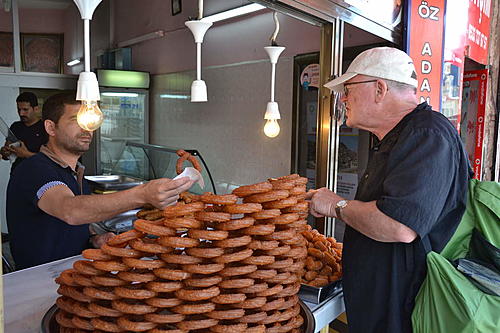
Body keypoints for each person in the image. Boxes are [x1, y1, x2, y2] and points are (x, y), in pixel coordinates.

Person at [306, 47, 471, 333]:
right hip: (381, 307)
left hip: (404, 313)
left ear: (379, 89)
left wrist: (336, 205)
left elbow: (399, 225)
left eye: (348, 89)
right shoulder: (396, 137)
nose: (343, 99)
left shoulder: (427, 134)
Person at [6, 93, 195, 270]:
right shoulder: (35, 169)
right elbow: (70, 210)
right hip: (37, 280)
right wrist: (142, 193)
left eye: (89, 122)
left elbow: (72, 225)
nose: (86, 129)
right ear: (50, 127)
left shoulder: (76, 174)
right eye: (76, 121)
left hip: (73, 271)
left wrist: (94, 239)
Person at [0, 92, 48, 172]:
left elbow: (51, 159)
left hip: (38, 175)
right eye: (19, 109)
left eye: (25, 110)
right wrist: (5, 152)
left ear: (36, 109)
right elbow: (6, 154)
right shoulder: (15, 126)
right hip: (16, 174)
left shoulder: (45, 128)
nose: (21, 113)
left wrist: (26, 154)